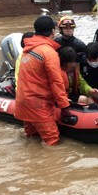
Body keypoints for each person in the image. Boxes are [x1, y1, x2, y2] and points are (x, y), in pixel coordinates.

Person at [14, 16, 76, 146]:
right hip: (38, 105)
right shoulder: (48, 52)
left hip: (22, 102)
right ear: (53, 31)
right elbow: (56, 81)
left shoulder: (27, 50)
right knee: (52, 141)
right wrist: (64, 106)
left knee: (31, 138)